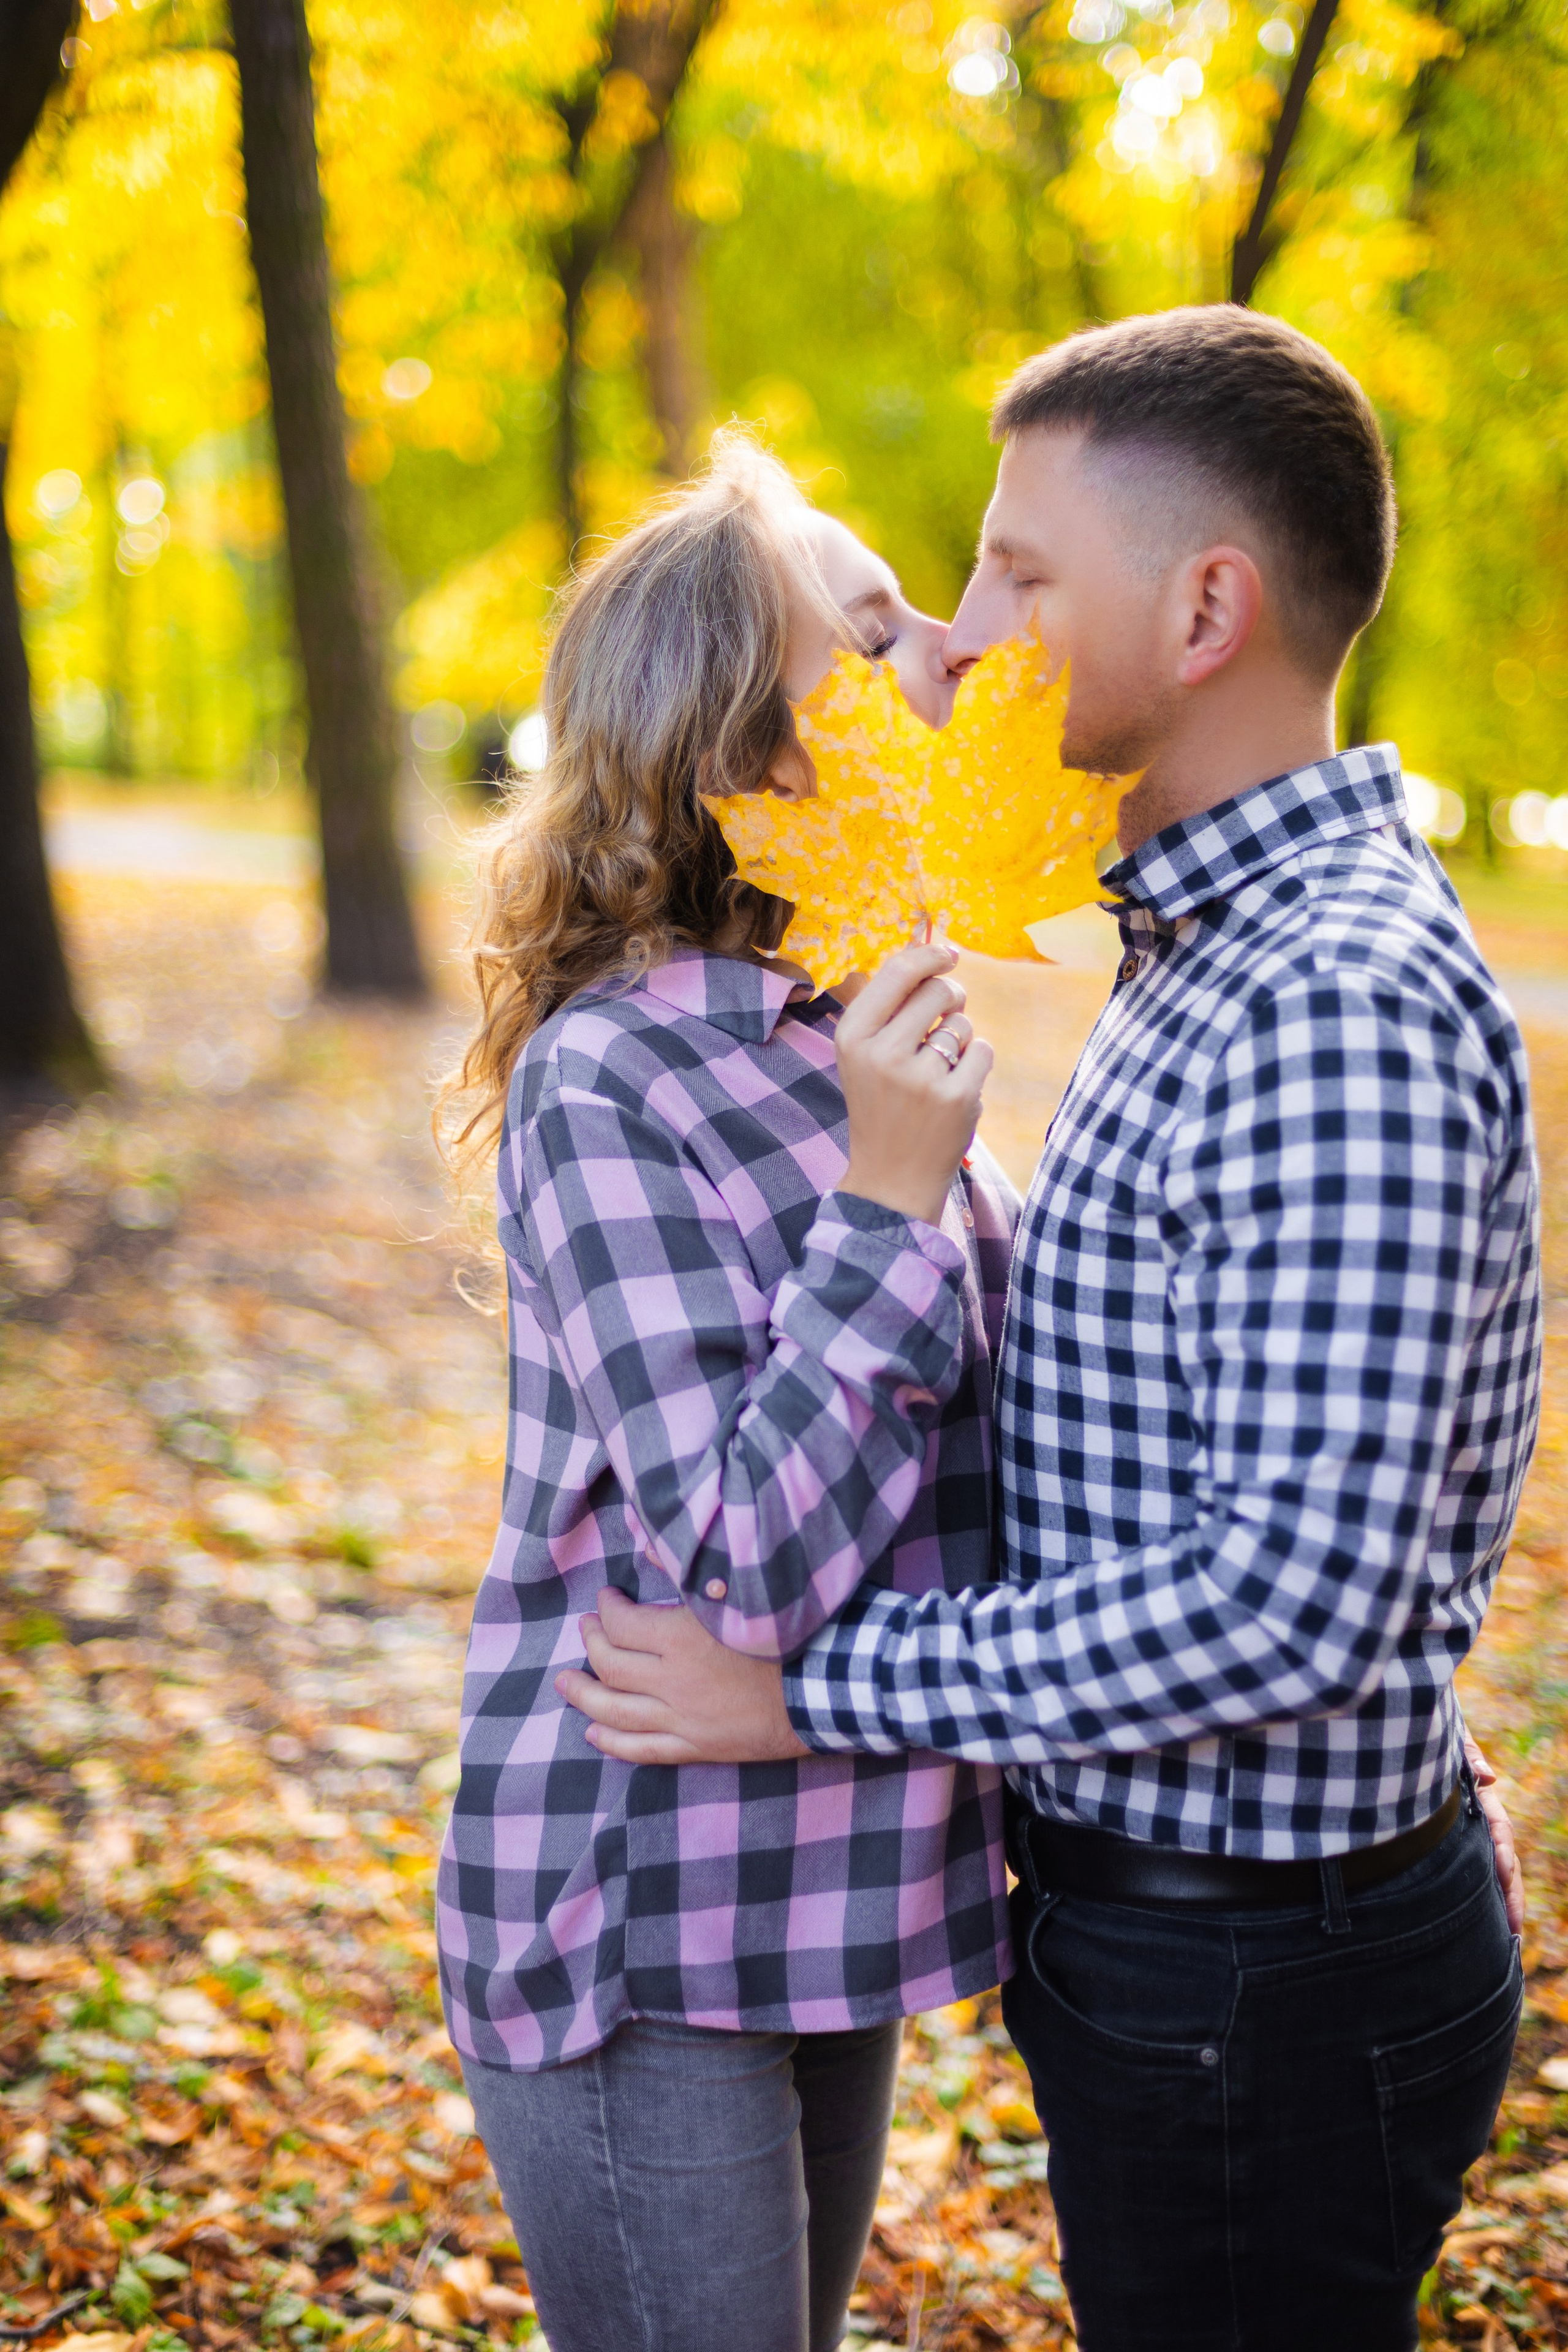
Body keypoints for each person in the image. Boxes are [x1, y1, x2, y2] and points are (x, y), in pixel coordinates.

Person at [559, 309, 1540, 2352]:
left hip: (1254, 1979)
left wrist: (813, 1692)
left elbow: (1290, 1606)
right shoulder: (1197, 953)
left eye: (1019, 571)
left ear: (1203, 609)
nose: (974, 628)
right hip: (1188, 1951)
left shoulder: (1325, 1003)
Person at [435, 434, 1019, 2352]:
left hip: (827, 1885)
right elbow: (735, 1566)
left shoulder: (864, 1026)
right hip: (640, 1917)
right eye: (873, 629)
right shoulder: (613, 1079)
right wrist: (888, 1197)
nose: (945, 645)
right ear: (761, 760)